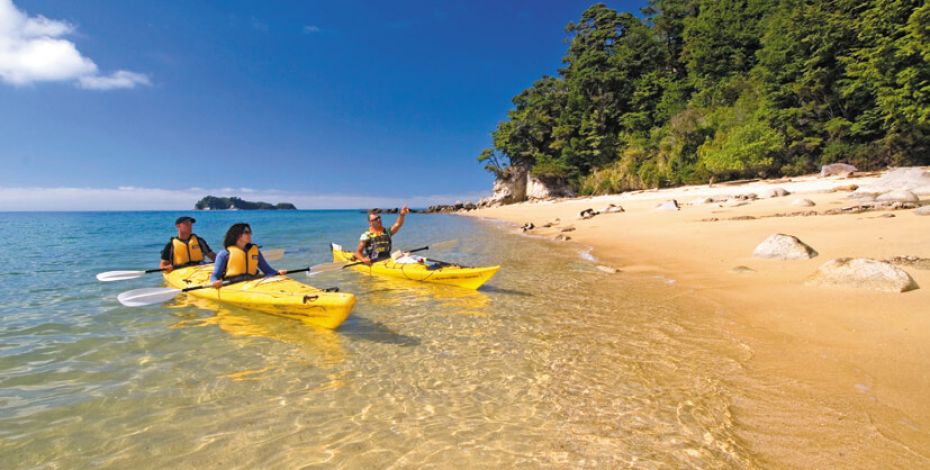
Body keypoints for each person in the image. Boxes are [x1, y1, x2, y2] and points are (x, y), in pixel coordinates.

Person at [211, 223, 287, 288]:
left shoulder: (255, 251)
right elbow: (215, 275)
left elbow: (267, 270)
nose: (250, 234)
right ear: (237, 235)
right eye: (246, 232)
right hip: (233, 283)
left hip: (253, 281)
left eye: (250, 232)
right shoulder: (224, 253)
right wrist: (214, 282)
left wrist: (277, 272)